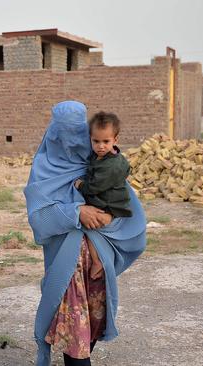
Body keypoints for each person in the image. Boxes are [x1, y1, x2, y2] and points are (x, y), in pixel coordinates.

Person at [24, 101, 146, 366]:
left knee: (91, 326)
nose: (69, 140)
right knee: (74, 337)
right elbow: (39, 219)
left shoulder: (99, 164)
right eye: (62, 132)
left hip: (98, 267)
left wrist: (108, 217)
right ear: (52, 132)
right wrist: (76, 212)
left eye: (75, 131)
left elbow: (125, 208)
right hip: (68, 268)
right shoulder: (44, 168)